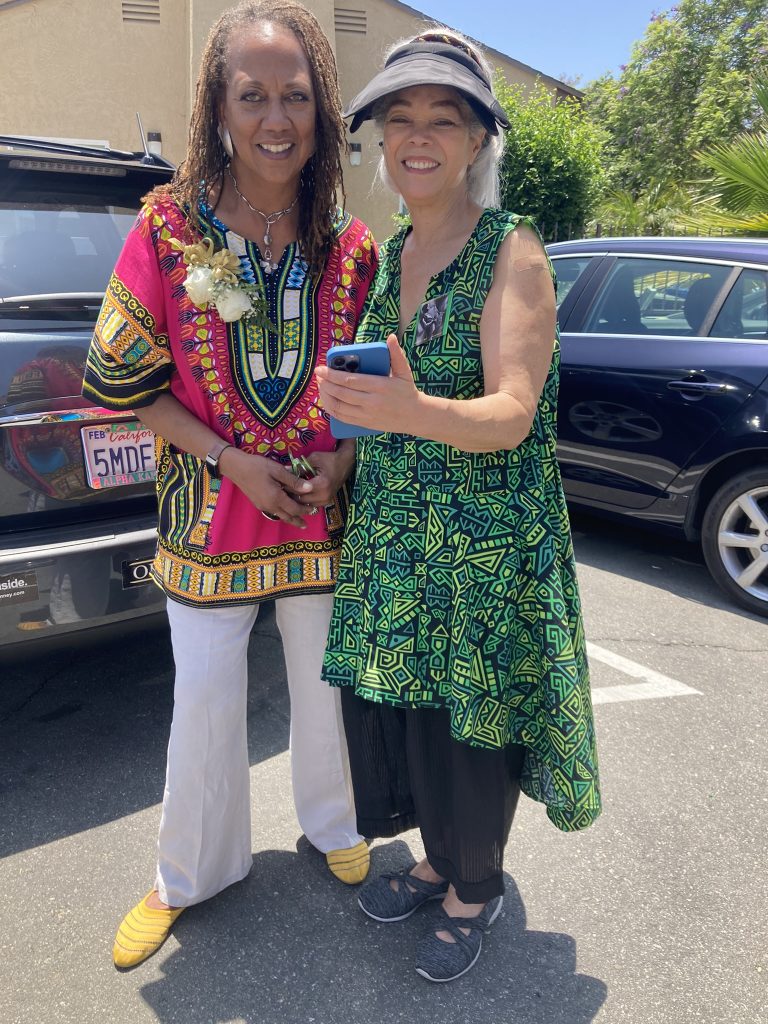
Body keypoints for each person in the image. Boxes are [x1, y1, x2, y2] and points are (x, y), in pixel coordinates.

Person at [83, 0, 377, 970]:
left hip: (319, 519)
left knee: (326, 682)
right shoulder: (168, 231)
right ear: (218, 108)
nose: (275, 118)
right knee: (205, 701)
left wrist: (342, 462)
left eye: (296, 96)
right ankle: (186, 873)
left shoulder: (351, 247)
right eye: (252, 96)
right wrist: (228, 457)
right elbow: (122, 380)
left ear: (321, 111)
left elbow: (371, 389)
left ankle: (335, 823)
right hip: (209, 517)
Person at [316, 29, 601, 983]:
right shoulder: (394, 249)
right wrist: (345, 442)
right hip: (400, 538)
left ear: (478, 139)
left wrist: (410, 410)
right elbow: (381, 395)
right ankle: (438, 859)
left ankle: (474, 887)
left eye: (443, 119)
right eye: (400, 119)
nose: (418, 136)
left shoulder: (510, 246)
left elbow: (513, 414)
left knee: (469, 722)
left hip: (479, 546)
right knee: (413, 714)